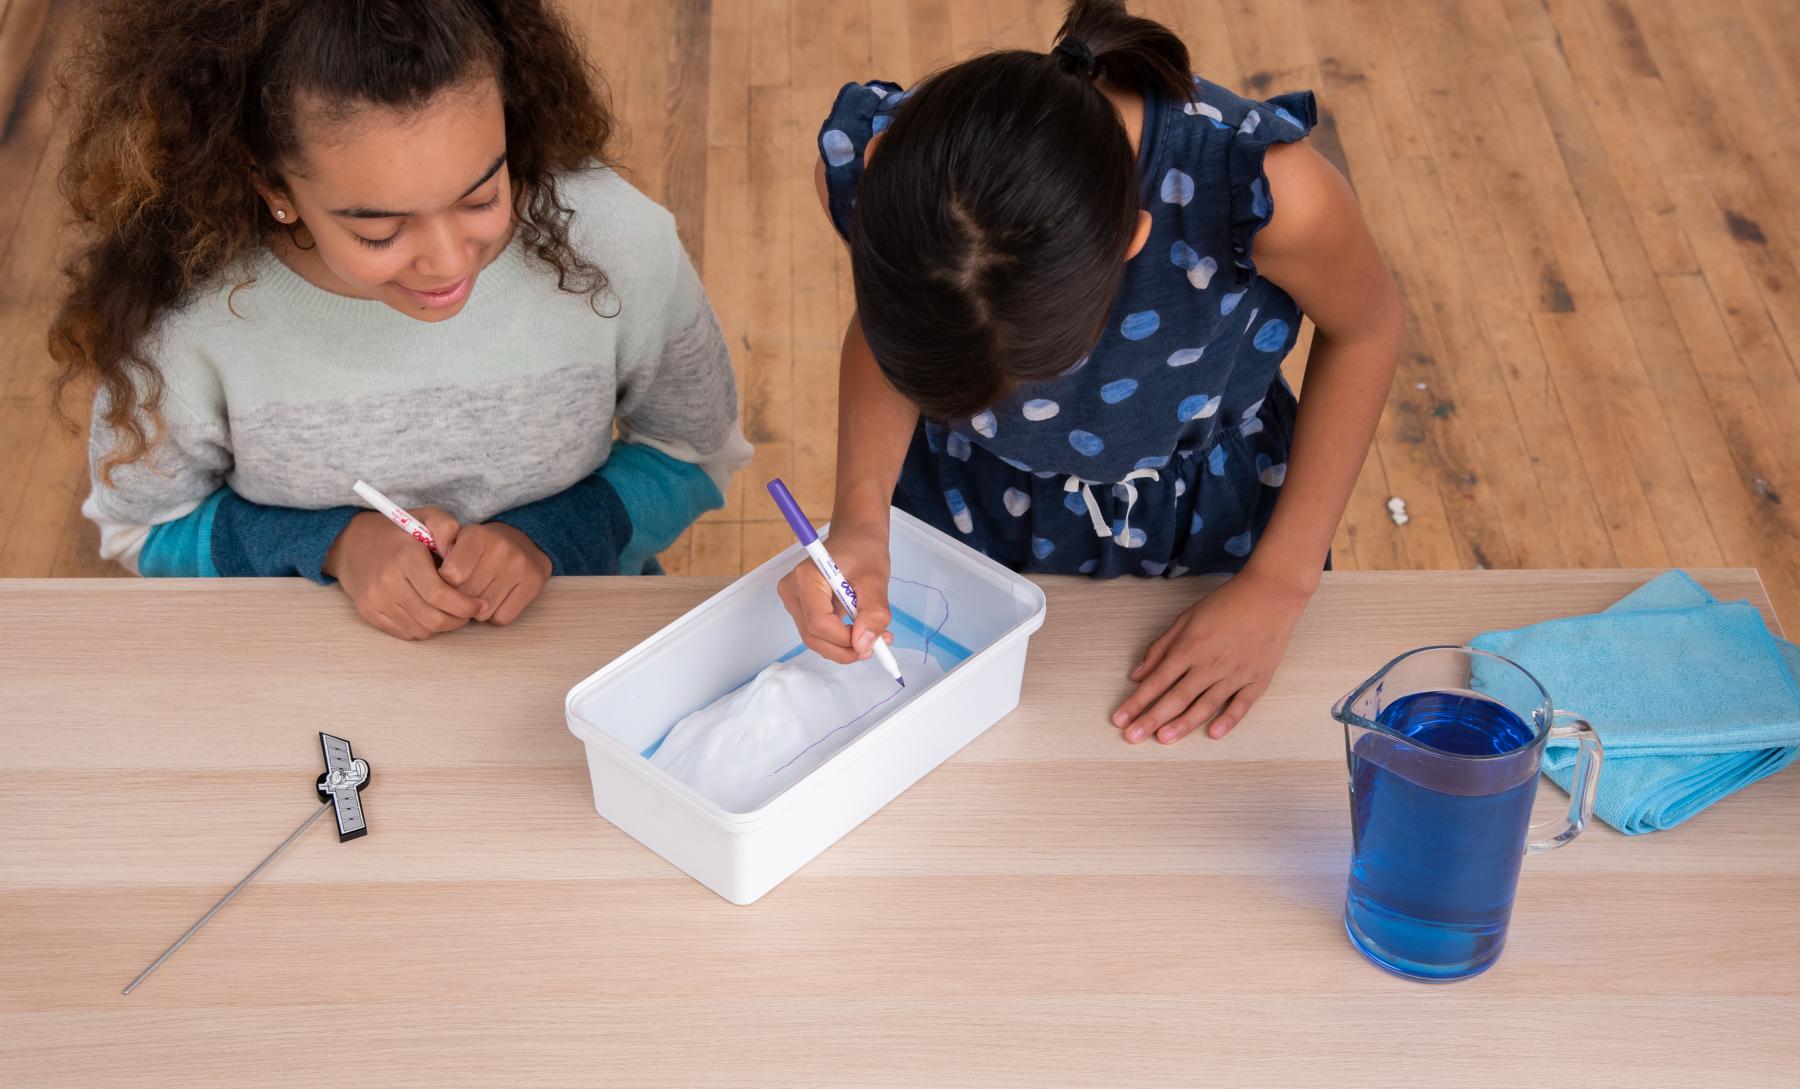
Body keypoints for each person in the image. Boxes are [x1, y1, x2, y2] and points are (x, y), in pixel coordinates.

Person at [778, 0, 1402, 743]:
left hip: (1202, 524)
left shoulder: (1272, 198)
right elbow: (900, 333)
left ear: (1134, 238)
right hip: (967, 499)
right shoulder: (877, 177)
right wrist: (859, 519)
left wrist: (1279, 584)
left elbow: (1368, 329)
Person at [50, 0, 751, 639]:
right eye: (380, 232)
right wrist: (332, 547)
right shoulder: (188, 319)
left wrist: (552, 537)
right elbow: (138, 528)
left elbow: (695, 451)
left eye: (482, 198)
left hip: (580, 655)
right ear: (274, 188)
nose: (448, 262)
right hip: (309, 678)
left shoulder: (618, 243)